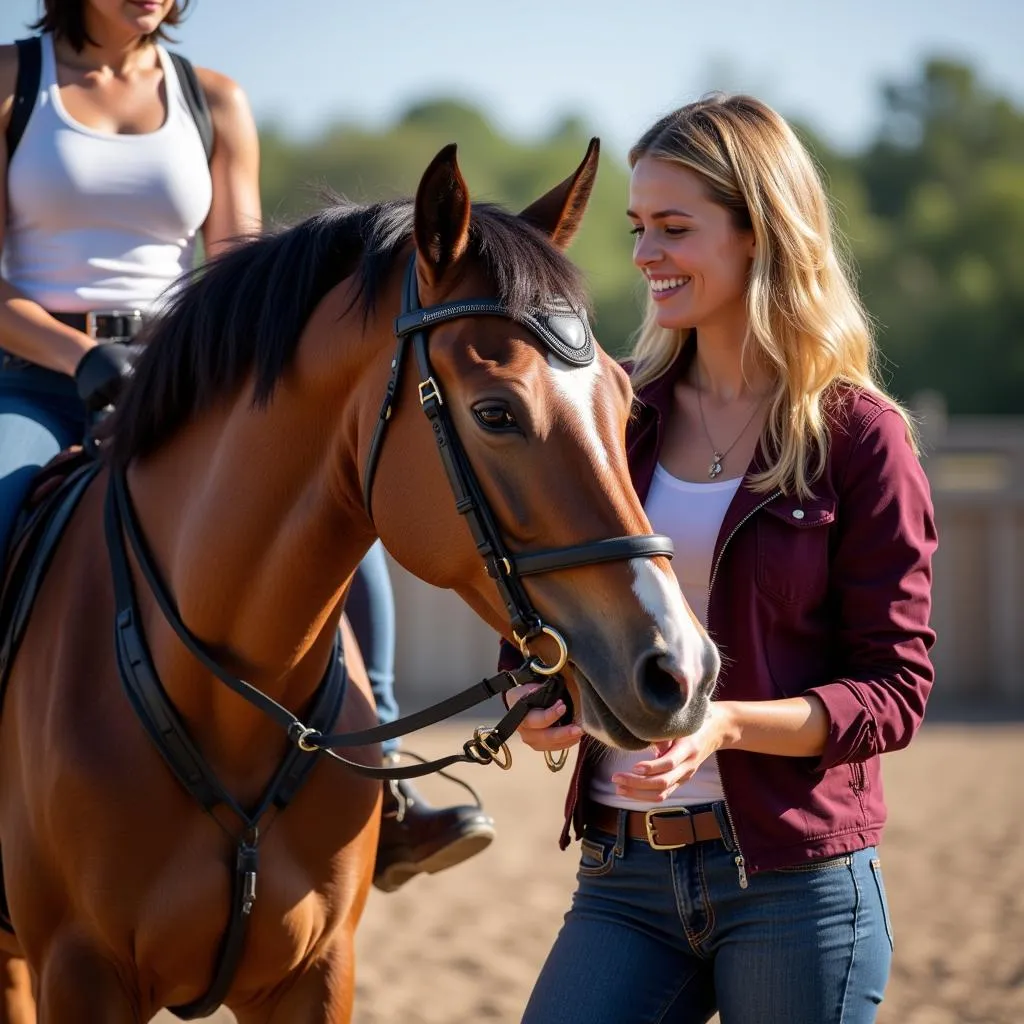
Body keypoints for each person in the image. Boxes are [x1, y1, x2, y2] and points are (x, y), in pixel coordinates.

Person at [0, 0, 493, 894]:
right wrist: (83, 359)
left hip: (187, 378)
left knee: (341, 524)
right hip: (35, 373)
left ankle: (377, 779)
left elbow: (242, 278)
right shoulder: (10, 85)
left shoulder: (214, 101)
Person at [504, 94, 937, 1023]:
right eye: (636, 226)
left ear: (760, 235)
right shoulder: (622, 417)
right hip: (621, 875)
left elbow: (895, 691)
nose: (643, 254)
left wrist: (724, 727)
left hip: (795, 885)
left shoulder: (861, 440)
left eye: (673, 227)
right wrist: (530, 691)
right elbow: (543, 614)